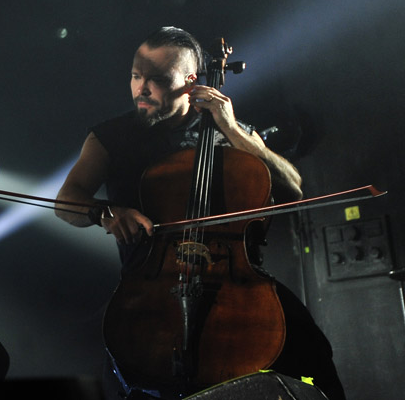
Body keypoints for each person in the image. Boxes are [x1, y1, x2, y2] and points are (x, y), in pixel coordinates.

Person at [55, 26, 345, 400]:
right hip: (151, 293)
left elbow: (291, 187)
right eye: (135, 76)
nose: (141, 89)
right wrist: (104, 213)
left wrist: (231, 128)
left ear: (190, 82)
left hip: (239, 285)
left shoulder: (230, 132)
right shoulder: (111, 137)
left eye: (156, 80)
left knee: (315, 357)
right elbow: (67, 201)